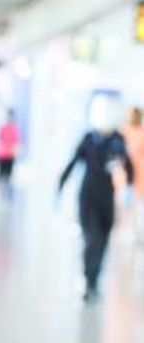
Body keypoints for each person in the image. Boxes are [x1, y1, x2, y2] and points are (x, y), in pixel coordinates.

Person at [58, 105, 135, 301]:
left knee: (103, 240)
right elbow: (74, 162)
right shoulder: (89, 139)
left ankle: (95, 279)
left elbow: (129, 165)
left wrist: (129, 188)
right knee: (92, 239)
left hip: (107, 197)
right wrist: (61, 184)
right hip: (88, 195)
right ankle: (88, 279)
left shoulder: (118, 140)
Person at [120, 105, 144, 238]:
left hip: (140, 175)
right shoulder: (123, 132)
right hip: (124, 176)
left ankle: (137, 233)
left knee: (139, 206)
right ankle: (126, 231)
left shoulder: (142, 132)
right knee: (125, 205)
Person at [0, 109, 21, 195]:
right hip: (2, 154)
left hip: (10, 155)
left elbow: (16, 141)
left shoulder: (14, 129)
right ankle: (0, 191)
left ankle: (6, 191)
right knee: (1, 174)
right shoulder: (3, 128)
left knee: (8, 174)